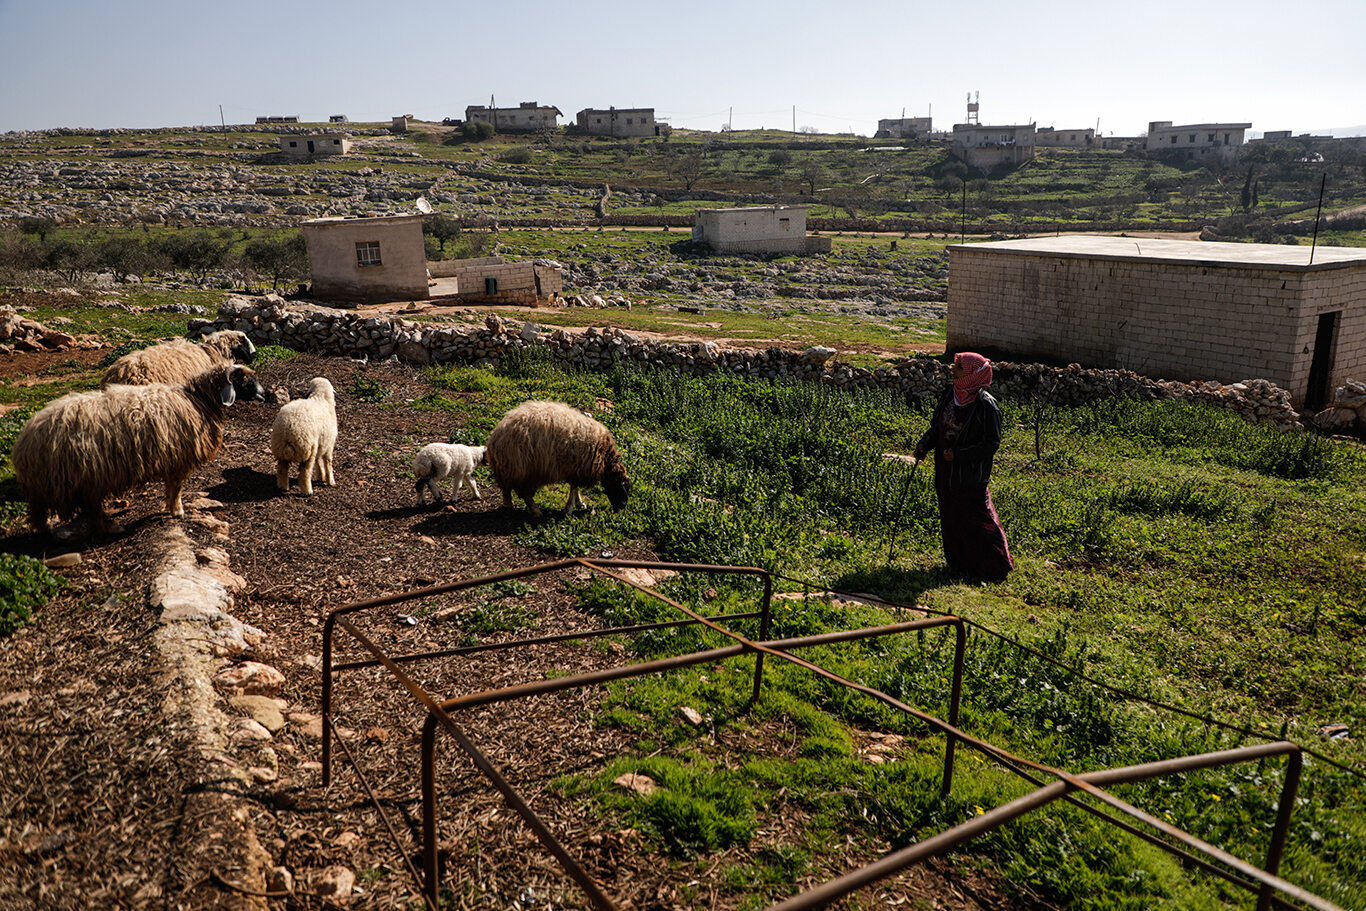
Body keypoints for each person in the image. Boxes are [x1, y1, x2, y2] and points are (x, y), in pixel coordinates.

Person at [912, 352, 1014, 581]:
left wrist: (959, 455)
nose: (952, 368)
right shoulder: (950, 395)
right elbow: (937, 427)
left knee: (978, 518)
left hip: (970, 475)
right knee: (951, 514)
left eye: (958, 366)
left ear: (971, 374)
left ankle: (995, 568)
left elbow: (990, 444)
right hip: (946, 470)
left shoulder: (986, 405)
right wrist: (924, 445)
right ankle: (958, 564)